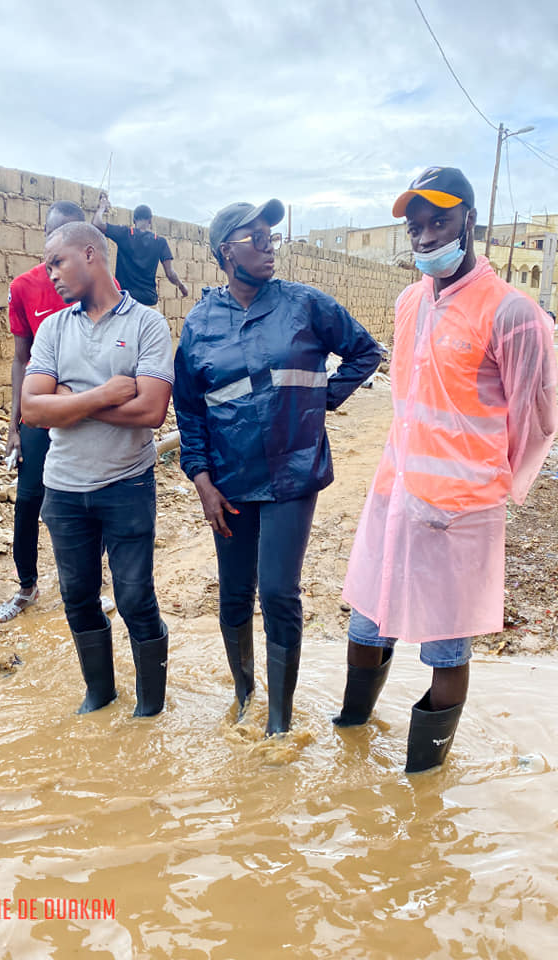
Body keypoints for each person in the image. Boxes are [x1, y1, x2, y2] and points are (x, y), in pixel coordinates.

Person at [337, 166, 558, 772]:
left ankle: (424, 778)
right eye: (416, 225)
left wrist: (487, 482)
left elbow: (536, 418)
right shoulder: (410, 301)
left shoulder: (513, 313)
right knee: (367, 625)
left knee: (445, 644)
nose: (426, 234)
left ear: (469, 221)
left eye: (440, 220)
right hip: (394, 494)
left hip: (459, 509)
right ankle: (351, 742)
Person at [173, 199, 381, 736]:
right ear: (226, 252)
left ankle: (279, 722)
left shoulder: (305, 305)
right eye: (256, 238)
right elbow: (190, 412)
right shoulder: (200, 324)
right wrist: (202, 483)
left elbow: (365, 351)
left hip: (292, 473)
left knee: (279, 591)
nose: (269, 247)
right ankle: (245, 696)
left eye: (272, 238)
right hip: (230, 478)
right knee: (235, 591)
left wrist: (321, 402)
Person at [21, 222, 174, 717]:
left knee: (134, 599)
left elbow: (151, 412)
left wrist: (69, 400)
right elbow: (31, 410)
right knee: (78, 597)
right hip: (63, 490)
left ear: (90, 254)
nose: (51, 276)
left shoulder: (146, 324)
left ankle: (150, 706)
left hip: (127, 483)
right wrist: (106, 394)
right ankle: (100, 693)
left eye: (57, 263)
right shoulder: (53, 328)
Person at [0, 201, 91, 623]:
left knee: (88, 497)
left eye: (74, 234)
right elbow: (21, 358)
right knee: (29, 498)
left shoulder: (96, 284)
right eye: (57, 234)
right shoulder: (25, 287)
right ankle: (27, 586)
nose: (64, 244)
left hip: (84, 412)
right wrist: (14, 425)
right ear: (46, 236)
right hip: (39, 412)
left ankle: (87, 584)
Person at [93, 193, 188, 306]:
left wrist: (102, 207)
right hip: (148, 302)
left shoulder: (124, 233)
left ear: (134, 220)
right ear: (150, 221)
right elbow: (170, 273)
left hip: (125, 302)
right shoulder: (159, 241)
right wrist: (182, 286)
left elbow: (97, 224)